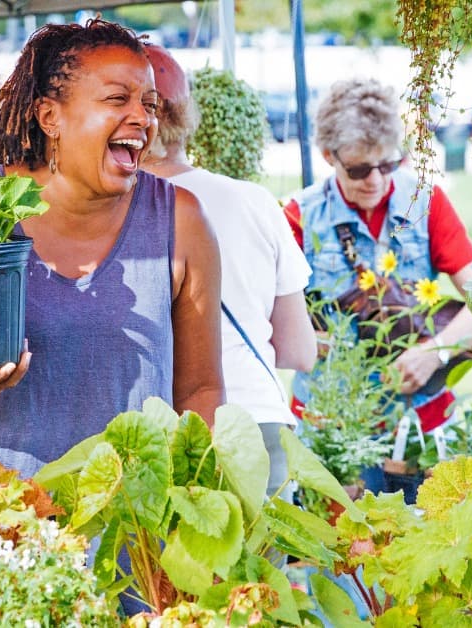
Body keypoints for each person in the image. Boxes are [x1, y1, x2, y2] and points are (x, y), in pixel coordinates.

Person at [0, 19, 224, 480]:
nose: (142, 118)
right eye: (117, 99)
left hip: (122, 533)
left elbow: (201, 389)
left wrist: (197, 501)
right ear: (50, 116)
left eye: (149, 104)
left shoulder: (180, 220)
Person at [141, 45, 316, 498]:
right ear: (185, 116)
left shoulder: (112, 211)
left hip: (168, 434)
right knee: (262, 572)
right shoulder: (253, 200)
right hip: (260, 427)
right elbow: (299, 349)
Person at [284, 77, 472, 436]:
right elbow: (267, 323)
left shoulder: (426, 202)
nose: (376, 181)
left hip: (419, 421)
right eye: (359, 169)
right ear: (328, 156)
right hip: (329, 425)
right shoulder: (299, 216)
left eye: (389, 165)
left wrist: (435, 353)